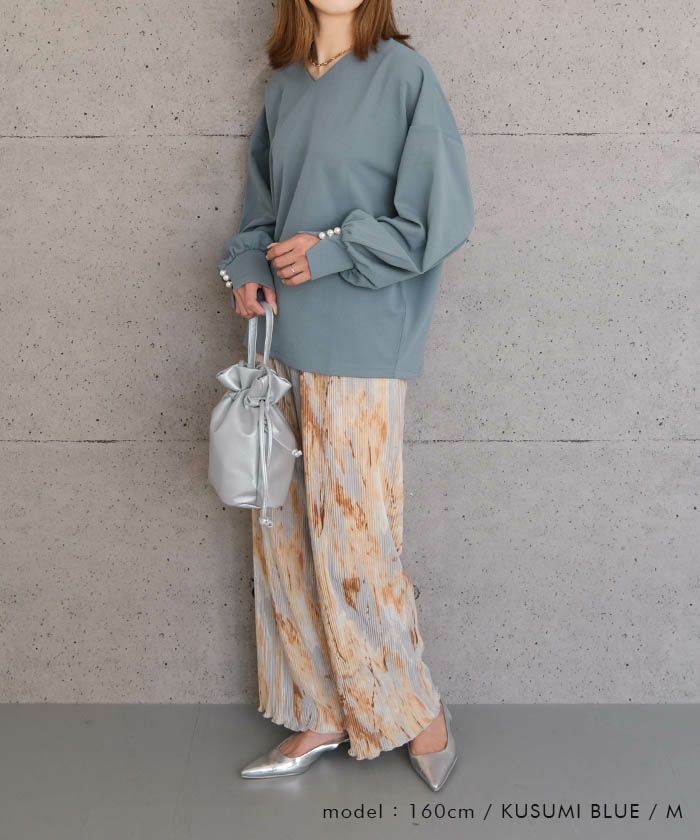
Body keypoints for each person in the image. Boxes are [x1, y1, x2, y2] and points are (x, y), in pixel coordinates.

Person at [216, 0, 474, 792]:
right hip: (283, 339)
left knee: (357, 538)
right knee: (285, 535)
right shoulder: (285, 87)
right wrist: (247, 269)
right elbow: (262, 210)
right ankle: (318, 709)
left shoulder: (404, 77)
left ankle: (416, 710)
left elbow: (439, 219)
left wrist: (330, 252)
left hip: (365, 340)